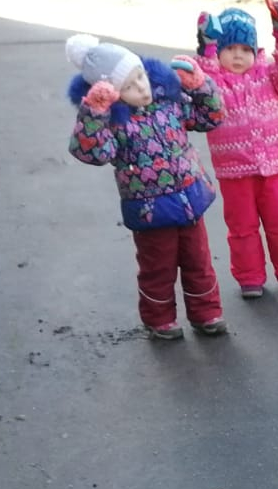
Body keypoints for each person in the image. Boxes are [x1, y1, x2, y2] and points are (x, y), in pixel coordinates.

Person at [66, 34, 227, 340]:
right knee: (158, 268)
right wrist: (94, 114)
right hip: (150, 210)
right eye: (129, 86)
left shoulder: (169, 102)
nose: (141, 88)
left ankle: (207, 312)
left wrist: (199, 85)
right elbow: (92, 153)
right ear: (113, 94)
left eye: (140, 77)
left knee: (199, 261)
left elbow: (212, 116)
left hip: (190, 199)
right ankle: (159, 319)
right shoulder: (115, 123)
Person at [196, 0, 278, 298]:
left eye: (245, 49)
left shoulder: (268, 77)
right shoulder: (215, 84)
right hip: (234, 172)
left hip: (273, 167)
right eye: (230, 48)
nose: (238, 55)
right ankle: (250, 277)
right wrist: (206, 49)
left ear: (255, 50)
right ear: (218, 52)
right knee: (242, 227)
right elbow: (201, 85)